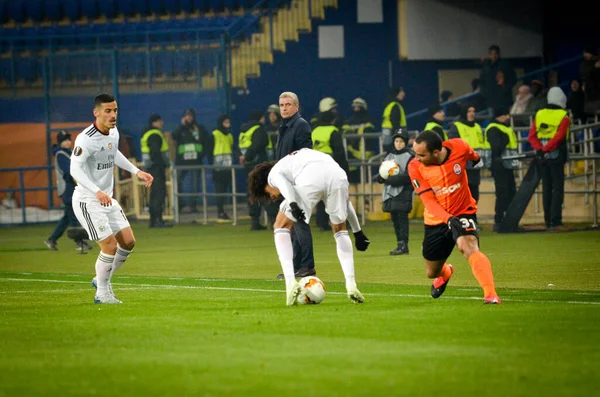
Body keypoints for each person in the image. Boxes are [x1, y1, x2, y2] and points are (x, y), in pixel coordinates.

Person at [247, 148, 370, 306]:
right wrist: (358, 231)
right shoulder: (301, 159)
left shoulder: (273, 173)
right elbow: (346, 202)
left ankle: (290, 283)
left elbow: (284, 184)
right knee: (339, 229)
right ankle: (351, 285)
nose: (272, 196)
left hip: (311, 178)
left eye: (267, 193)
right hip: (337, 174)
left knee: (280, 225)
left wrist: (292, 203)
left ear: (263, 182)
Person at [70, 93, 154, 304]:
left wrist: (137, 172)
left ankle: (100, 279)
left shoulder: (114, 132)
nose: (113, 114)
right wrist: (96, 191)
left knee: (128, 242)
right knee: (109, 246)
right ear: (96, 112)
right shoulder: (85, 139)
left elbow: (113, 153)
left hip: (107, 199)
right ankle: (103, 293)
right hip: (88, 200)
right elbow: (75, 170)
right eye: (108, 111)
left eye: (115, 110)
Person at [407, 130, 500, 304]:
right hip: (436, 219)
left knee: (468, 246)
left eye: (421, 154)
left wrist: (477, 160)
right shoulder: (414, 167)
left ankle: (490, 294)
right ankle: (446, 272)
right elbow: (428, 201)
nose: (416, 158)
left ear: (436, 152)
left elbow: (473, 155)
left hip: (463, 211)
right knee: (431, 272)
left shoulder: (459, 146)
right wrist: (448, 219)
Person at [274, 91, 316, 279]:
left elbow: (306, 154)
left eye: (288, 105)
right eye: (281, 105)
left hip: (297, 182)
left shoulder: (300, 125)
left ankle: (307, 265)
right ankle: (296, 265)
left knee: (299, 223)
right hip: (287, 182)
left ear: (296, 106)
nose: (284, 108)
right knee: (292, 225)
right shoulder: (285, 125)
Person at [528, 87, 571, 231]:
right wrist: (547, 149)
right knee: (557, 188)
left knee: (546, 188)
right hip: (557, 156)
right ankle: (556, 221)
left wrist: (540, 149)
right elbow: (559, 137)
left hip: (542, 158)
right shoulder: (564, 116)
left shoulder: (539, 114)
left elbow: (532, 136)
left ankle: (548, 221)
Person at [45, 130, 92, 251]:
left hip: (73, 188)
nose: (67, 142)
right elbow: (69, 171)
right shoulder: (60, 154)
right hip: (67, 189)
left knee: (67, 217)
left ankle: (52, 239)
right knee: (74, 216)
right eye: (65, 140)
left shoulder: (70, 152)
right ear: (60, 142)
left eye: (69, 139)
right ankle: (80, 242)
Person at [376, 130, 414, 255]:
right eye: (396, 141)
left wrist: (390, 179)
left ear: (406, 142)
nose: (398, 144)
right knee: (395, 219)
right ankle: (400, 244)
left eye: (401, 141)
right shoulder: (389, 155)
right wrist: (381, 178)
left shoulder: (410, 156)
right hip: (390, 193)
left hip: (404, 191)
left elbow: (409, 176)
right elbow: (382, 172)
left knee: (402, 219)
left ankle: (404, 245)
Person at [311, 110, 349, 231]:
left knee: (321, 195)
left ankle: (321, 222)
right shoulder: (333, 131)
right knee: (335, 194)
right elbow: (339, 152)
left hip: (315, 166)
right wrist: (344, 168)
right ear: (332, 120)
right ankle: (337, 221)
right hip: (330, 167)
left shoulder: (314, 131)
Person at [485, 107, 519, 231]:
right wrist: (505, 139)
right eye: (505, 115)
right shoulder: (493, 128)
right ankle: (498, 220)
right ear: (499, 116)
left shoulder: (504, 128)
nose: (508, 117)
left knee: (511, 193)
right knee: (502, 194)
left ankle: (510, 221)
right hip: (499, 166)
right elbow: (496, 147)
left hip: (507, 165)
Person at [171, 108, 211, 213]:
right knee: (178, 183)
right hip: (181, 163)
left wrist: (201, 156)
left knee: (195, 185)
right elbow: (174, 136)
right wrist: (182, 125)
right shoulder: (180, 129)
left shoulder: (199, 129)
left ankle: (193, 205)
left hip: (195, 162)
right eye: (186, 116)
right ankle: (180, 204)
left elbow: (206, 143)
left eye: (190, 115)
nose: (188, 118)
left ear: (193, 117)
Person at [447, 104, 489, 202]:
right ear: (464, 113)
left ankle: (472, 216)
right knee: (463, 193)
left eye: (473, 111)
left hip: (475, 165)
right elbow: (452, 146)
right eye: (469, 111)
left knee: (475, 193)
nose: (472, 114)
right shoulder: (456, 126)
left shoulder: (477, 127)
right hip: (463, 166)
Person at [239, 110, 270, 230]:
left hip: (248, 166)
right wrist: (248, 156)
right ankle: (274, 220)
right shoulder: (258, 129)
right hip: (259, 165)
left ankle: (254, 221)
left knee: (253, 192)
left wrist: (244, 158)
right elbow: (258, 145)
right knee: (268, 191)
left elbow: (240, 148)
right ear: (260, 118)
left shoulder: (243, 131)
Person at [140, 114, 172, 228]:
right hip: (157, 168)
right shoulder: (155, 134)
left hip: (151, 168)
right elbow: (155, 152)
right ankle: (158, 220)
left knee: (154, 194)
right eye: (160, 121)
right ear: (155, 123)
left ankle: (153, 220)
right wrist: (162, 164)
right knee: (159, 194)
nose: (162, 123)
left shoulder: (147, 133)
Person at [212, 114, 235, 221]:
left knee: (225, 191)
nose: (228, 125)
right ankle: (220, 211)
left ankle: (223, 212)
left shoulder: (229, 135)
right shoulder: (215, 134)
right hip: (218, 168)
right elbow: (209, 149)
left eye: (229, 122)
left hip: (227, 167)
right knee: (219, 191)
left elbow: (231, 148)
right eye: (226, 122)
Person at [381, 87, 407, 152]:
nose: (403, 94)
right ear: (397, 93)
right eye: (401, 92)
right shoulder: (395, 106)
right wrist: (400, 137)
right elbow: (396, 123)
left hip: (387, 137)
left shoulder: (389, 105)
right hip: (393, 136)